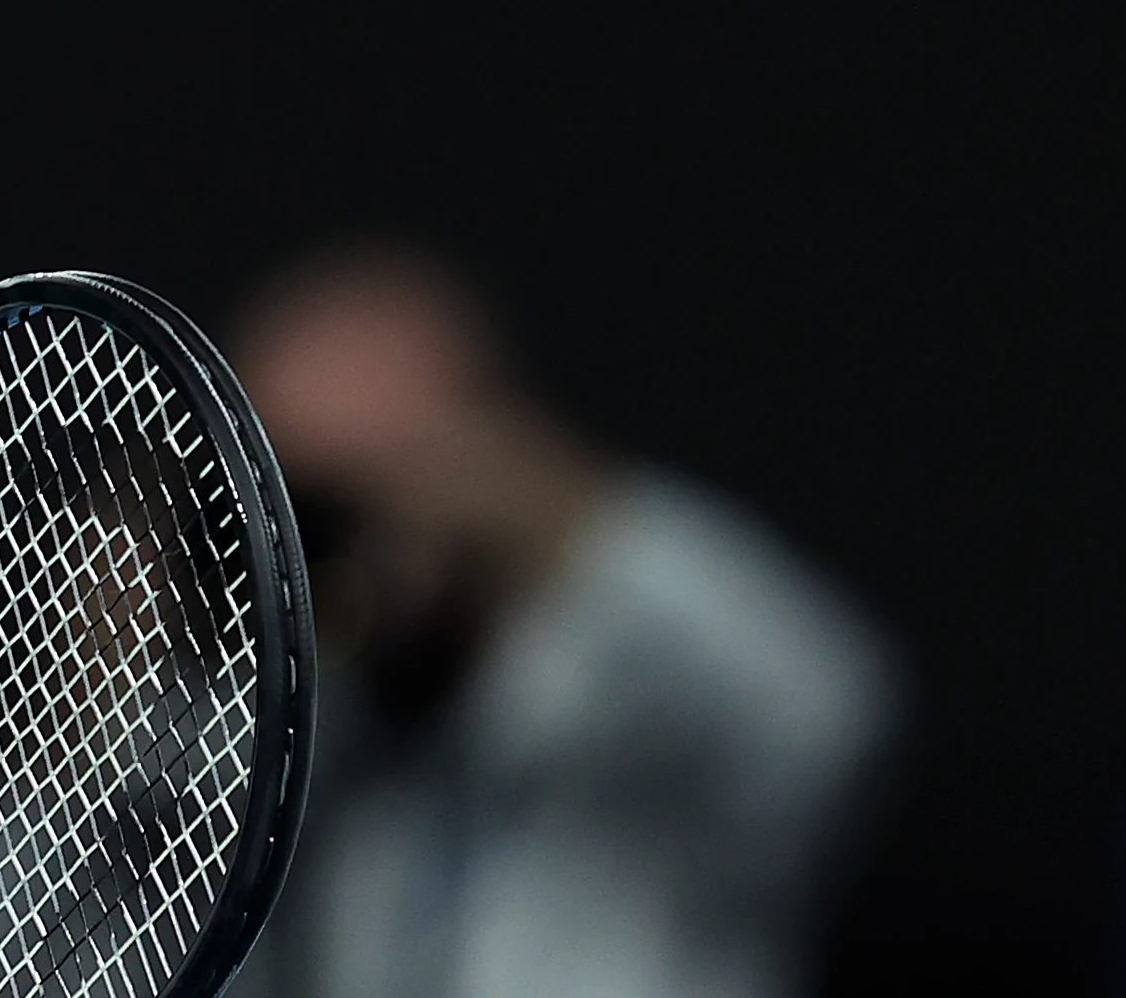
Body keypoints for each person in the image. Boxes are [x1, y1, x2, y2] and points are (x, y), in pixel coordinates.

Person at [230, 246, 900, 998]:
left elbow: (830, 707)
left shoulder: (642, 692)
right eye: (296, 499)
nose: (338, 538)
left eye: (356, 493)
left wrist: (552, 506)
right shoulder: (310, 737)